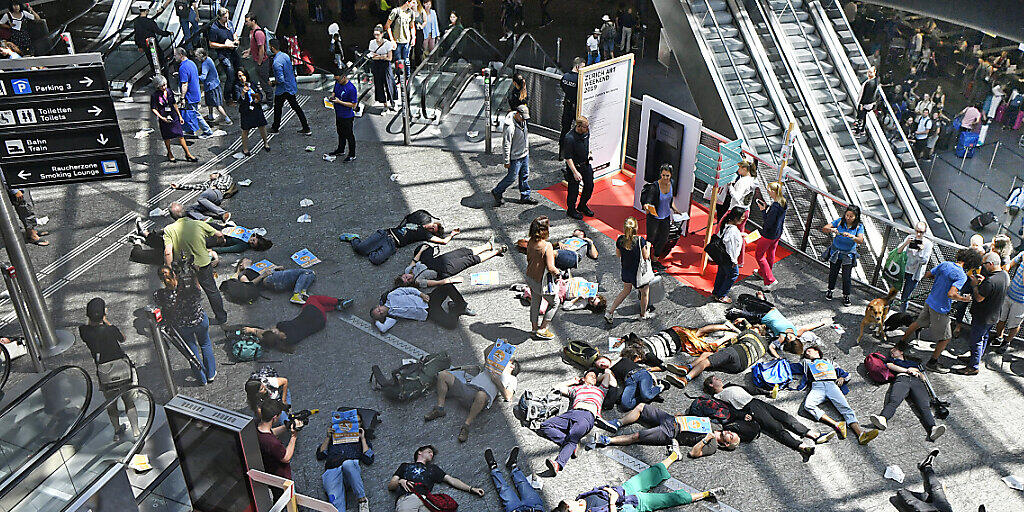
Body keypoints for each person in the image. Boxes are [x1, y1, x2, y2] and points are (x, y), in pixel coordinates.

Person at [552, 449, 723, 512]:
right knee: (669, 499)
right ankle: (705, 494)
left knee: (651, 473)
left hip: (624, 489)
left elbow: (596, 491)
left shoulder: (580, 500)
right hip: (632, 504)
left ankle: (674, 456)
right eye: (572, 503)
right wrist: (612, 502)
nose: (577, 500)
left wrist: (608, 490)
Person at [706, 376, 826, 461]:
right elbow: (728, 411)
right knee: (776, 428)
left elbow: (748, 389)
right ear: (711, 385)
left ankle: (811, 434)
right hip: (749, 409)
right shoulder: (717, 397)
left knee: (785, 417)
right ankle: (802, 447)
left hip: (756, 402)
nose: (719, 379)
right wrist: (742, 415)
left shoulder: (730, 385)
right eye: (715, 379)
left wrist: (765, 392)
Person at [901, 248, 980, 372]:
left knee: (918, 323)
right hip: (940, 309)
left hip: (930, 301)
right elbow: (951, 294)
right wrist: (963, 299)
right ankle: (932, 363)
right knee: (945, 338)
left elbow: (928, 275)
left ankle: (901, 343)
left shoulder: (945, 264)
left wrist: (940, 281)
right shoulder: (961, 276)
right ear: (970, 264)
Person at [424, 343, 520, 442]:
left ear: (512, 366)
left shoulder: (512, 379)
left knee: (481, 394)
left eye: (508, 360)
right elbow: (486, 352)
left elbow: (508, 396)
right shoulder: (493, 367)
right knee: (443, 375)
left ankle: (466, 425)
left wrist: (497, 382)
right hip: (468, 388)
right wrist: (498, 344)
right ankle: (440, 408)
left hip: (482, 397)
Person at [79, 298, 140, 443]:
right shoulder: (110, 330)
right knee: (129, 402)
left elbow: (88, 327)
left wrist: (96, 317)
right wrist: (106, 320)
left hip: (105, 374)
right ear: (104, 313)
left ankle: (117, 430)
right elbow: (123, 338)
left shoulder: (84, 331)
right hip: (122, 371)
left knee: (111, 404)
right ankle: (136, 431)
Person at [593, 402, 741, 459]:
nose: (729, 433)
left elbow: (693, 453)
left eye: (731, 436)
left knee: (638, 436)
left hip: (671, 433)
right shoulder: (717, 427)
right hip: (673, 420)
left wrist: (705, 439)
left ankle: (608, 440)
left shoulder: (713, 446)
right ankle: (617, 423)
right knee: (641, 407)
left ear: (727, 444)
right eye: (731, 432)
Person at [161, 203, 228, 324]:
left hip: (184, 267)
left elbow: (167, 252)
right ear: (185, 211)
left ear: (172, 216)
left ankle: (191, 316)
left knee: (186, 292)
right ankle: (221, 317)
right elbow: (219, 234)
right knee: (212, 291)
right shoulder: (198, 224)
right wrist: (221, 241)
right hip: (203, 263)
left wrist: (170, 269)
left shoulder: (169, 230)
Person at [539, 369, 615, 474]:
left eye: (595, 376)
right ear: (583, 378)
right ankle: (570, 446)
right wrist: (573, 381)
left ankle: (558, 463)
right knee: (545, 425)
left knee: (573, 438)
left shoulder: (601, 390)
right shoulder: (576, 388)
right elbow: (557, 387)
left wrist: (595, 378)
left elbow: (607, 375)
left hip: (587, 415)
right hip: (572, 413)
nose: (593, 377)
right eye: (590, 375)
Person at [868, 343, 947, 441]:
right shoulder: (892, 361)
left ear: (901, 352)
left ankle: (933, 428)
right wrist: (907, 370)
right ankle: (883, 418)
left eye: (894, 350)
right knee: (894, 400)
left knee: (924, 405)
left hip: (917, 381)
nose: (891, 351)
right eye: (891, 351)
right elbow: (890, 366)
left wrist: (916, 371)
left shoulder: (914, 364)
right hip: (902, 379)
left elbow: (923, 378)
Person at [799, 346, 878, 445]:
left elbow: (846, 374)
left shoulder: (829, 362)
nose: (807, 353)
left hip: (832, 385)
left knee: (846, 408)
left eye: (809, 351)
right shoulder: (806, 363)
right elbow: (791, 368)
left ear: (817, 351)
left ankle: (861, 434)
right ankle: (837, 424)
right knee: (808, 405)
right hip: (817, 386)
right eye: (806, 353)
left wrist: (842, 378)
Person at [153, 265, 216, 384]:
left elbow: (161, 307)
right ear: (174, 274)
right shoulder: (189, 289)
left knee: (191, 351)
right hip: (199, 320)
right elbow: (198, 292)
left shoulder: (159, 294)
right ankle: (211, 374)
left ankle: (202, 378)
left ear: (161, 280)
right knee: (205, 344)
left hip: (183, 326)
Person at [669, 328, 792, 388]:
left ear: (759, 331)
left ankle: (685, 378)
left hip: (736, 352)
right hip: (740, 366)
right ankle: (687, 367)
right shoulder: (764, 347)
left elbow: (732, 341)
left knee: (707, 362)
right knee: (707, 355)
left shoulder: (750, 332)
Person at [954, 252, 1008, 375]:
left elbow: (979, 298)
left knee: (976, 339)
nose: (983, 267)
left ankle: (973, 366)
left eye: (984, 264)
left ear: (990, 264)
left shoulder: (991, 281)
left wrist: (974, 286)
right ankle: (975, 358)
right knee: (984, 337)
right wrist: (983, 282)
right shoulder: (1004, 275)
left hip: (983, 316)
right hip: (993, 315)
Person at [389, 445, 485, 512]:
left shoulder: (433, 469)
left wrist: (471, 488)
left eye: (432, 454)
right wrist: (400, 481)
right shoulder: (405, 466)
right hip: (408, 498)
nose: (431, 454)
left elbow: (451, 480)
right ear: (420, 452)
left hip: (426, 501)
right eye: (429, 451)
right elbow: (391, 486)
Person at [244, 296, 354, 353]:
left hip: (320, 323)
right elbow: (265, 332)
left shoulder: (288, 341)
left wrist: (254, 332)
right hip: (313, 313)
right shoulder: (283, 326)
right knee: (312, 299)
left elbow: (265, 338)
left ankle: (336, 307)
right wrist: (254, 330)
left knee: (319, 306)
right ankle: (339, 301)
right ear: (274, 332)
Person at [340, 215, 457, 265]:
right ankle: (354, 238)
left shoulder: (425, 234)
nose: (430, 227)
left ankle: (370, 249)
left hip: (393, 244)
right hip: (385, 234)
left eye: (432, 229)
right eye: (432, 225)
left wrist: (452, 234)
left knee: (376, 260)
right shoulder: (418, 220)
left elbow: (444, 242)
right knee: (359, 249)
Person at [605, 217, 653, 322]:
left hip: (626, 270)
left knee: (625, 291)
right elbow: (646, 256)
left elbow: (618, 255)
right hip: (638, 273)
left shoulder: (620, 240)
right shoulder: (640, 240)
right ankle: (643, 314)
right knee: (644, 293)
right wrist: (648, 246)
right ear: (636, 227)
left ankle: (610, 312)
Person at [317, 424, 373, 512]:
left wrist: (362, 438)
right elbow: (320, 455)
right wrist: (328, 437)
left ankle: (362, 500)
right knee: (335, 503)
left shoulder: (360, 440)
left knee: (348, 463)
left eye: (358, 422)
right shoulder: (332, 439)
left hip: (350, 468)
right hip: (333, 469)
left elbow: (369, 458)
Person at [372, 285, 472, 332]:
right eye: (380, 315)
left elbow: (408, 290)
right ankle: (453, 308)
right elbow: (383, 329)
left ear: (378, 306)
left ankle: (461, 306)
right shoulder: (392, 316)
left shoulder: (391, 296)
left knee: (448, 287)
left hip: (428, 299)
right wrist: (376, 320)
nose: (381, 312)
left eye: (378, 310)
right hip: (429, 312)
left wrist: (421, 294)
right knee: (451, 325)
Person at [493, 105, 537, 206]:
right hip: (515, 157)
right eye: (523, 117)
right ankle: (497, 191)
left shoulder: (522, 120)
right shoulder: (510, 126)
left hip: (524, 154)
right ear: (517, 114)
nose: (524, 119)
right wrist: (506, 160)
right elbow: (506, 144)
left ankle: (525, 196)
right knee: (511, 178)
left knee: (524, 175)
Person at [525, 216, 561, 339]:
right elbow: (551, 267)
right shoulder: (547, 246)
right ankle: (543, 328)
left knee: (535, 302)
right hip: (541, 282)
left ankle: (534, 328)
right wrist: (558, 273)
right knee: (555, 302)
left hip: (530, 277)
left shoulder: (530, 241)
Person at [822, 205, 865, 306]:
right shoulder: (840, 221)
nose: (848, 218)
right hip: (836, 252)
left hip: (848, 255)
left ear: (856, 217)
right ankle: (830, 290)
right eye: (847, 215)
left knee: (846, 276)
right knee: (833, 273)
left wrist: (852, 236)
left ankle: (846, 295)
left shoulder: (859, 227)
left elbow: (860, 240)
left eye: (851, 216)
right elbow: (825, 228)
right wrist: (832, 230)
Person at [256, 400, 303, 491]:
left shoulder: (256, 425)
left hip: (268, 471)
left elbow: (271, 432)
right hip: (280, 478)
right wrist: (294, 436)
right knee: (283, 497)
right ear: (274, 418)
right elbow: (286, 457)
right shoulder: (272, 442)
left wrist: (287, 426)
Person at [641, 164, 682, 268]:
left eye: (667, 175)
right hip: (654, 217)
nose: (665, 178)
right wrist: (646, 206)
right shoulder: (654, 187)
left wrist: (675, 209)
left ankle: (655, 260)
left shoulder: (671, 184)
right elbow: (648, 201)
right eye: (663, 175)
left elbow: (670, 200)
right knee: (651, 238)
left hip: (665, 216)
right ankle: (646, 260)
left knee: (664, 238)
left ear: (671, 175)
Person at [269, 39, 312, 135]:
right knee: (296, 107)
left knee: (278, 108)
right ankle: (306, 127)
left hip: (283, 89)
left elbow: (280, 80)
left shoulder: (276, 63)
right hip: (290, 85)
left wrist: (273, 83)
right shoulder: (285, 56)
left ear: (272, 47)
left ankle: (275, 128)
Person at [150, 75, 197, 163]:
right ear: (157, 86)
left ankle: (188, 153)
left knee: (180, 135)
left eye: (165, 85)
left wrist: (179, 116)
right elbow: (153, 108)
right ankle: (170, 153)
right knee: (167, 137)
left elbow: (174, 104)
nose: (164, 87)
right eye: (162, 86)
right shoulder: (155, 95)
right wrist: (161, 117)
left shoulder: (169, 91)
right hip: (164, 116)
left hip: (173, 115)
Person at [408, 239, 506, 279]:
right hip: (445, 269)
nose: (408, 277)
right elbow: (435, 282)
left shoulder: (408, 270)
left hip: (440, 260)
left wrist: (421, 250)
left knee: (463, 251)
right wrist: (452, 281)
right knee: (470, 260)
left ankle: (487, 246)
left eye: (404, 277)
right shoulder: (419, 281)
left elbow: (415, 261)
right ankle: (496, 251)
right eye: (408, 280)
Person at [484, 447, 542, 512]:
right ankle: (513, 465)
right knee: (524, 484)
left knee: (503, 489)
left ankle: (493, 467)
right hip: (535, 507)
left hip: (515, 510)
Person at [235, 258, 316, 304]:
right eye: (246, 259)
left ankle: (302, 291)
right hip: (269, 279)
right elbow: (248, 285)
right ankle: (296, 294)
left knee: (311, 274)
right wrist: (262, 275)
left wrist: (275, 268)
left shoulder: (255, 268)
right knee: (305, 272)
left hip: (276, 281)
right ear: (241, 264)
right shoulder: (243, 273)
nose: (250, 259)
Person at [175, 48, 213, 138]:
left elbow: (184, 85)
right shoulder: (191, 63)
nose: (174, 57)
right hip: (196, 93)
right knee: (190, 113)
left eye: (175, 55)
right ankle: (190, 130)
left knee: (195, 113)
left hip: (190, 95)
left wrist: (182, 98)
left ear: (181, 55)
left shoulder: (182, 68)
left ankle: (208, 131)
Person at [754, 181, 786, 289]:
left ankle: (769, 279)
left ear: (773, 191)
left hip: (768, 234)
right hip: (777, 233)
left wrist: (763, 211)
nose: (768, 192)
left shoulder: (775, 207)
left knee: (759, 255)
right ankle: (763, 273)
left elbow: (768, 222)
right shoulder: (783, 203)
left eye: (769, 191)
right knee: (771, 253)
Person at [991, 249, 1024, 354]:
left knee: (1014, 324)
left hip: (1021, 302)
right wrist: (1005, 271)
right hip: (1009, 293)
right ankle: (999, 336)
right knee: (1001, 318)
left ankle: (1007, 341)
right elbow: (1011, 264)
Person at [170, 171, 235, 222]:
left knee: (201, 198)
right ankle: (204, 218)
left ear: (217, 174)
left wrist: (216, 186)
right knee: (189, 209)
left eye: (211, 175)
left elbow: (226, 185)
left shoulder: (226, 177)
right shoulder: (209, 183)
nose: (210, 176)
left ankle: (223, 213)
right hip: (209, 200)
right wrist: (180, 186)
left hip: (217, 192)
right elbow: (197, 186)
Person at [898, 222, 934, 312]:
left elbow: (924, 261)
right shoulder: (910, 238)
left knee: (905, 297)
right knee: (893, 292)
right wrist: (906, 243)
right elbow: (898, 251)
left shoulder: (928, 244)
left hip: (914, 274)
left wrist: (920, 251)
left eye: (921, 232)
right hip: (903, 269)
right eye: (916, 231)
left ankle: (901, 317)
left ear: (925, 232)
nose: (918, 234)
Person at [207, 7, 241, 102]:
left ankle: (236, 95)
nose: (227, 19)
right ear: (219, 17)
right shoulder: (214, 28)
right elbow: (211, 44)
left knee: (238, 71)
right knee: (230, 75)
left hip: (233, 51)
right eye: (225, 17)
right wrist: (224, 46)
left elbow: (234, 33)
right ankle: (228, 97)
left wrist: (235, 40)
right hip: (224, 54)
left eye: (227, 16)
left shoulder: (229, 23)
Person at [712, 208, 745, 303]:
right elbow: (731, 247)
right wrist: (734, 261)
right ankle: (721, 295)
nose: (743, 218)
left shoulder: (726, 225)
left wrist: (740, 234)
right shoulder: (733, 231)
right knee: (733, 275)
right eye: (742, 216)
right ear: (735, 218)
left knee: (721, 273)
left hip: (721, 256)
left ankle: (716, 292)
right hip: (728, 258)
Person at [564, 116, 594, 219]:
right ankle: (571, 210)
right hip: (575, 167)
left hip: (585, 164)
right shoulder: (569, 138)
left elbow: (586, 145)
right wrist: (575, 172)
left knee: (589, 185)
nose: (587, 129)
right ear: (579, 126)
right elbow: (568, 157)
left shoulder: (586, 133)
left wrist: (589, 153)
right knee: (573, 190)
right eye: (585, 127)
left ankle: (582, 205)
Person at [234, 69, 270, 155]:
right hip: (246, 111)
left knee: (262, 126)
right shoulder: (237, 87)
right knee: (245, 130)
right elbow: (238, 100)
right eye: (240, 76)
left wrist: (258, 98)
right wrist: (242, 93)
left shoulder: (252, 83)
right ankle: (245, 148)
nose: (242, 78)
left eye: (243, 75)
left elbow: (259, 93)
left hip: (256, 107)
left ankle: (266, 143)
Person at [195, 48, 231, 125]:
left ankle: (227, 119)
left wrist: (194, 76)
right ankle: (211, 116)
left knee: (217, 105)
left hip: (211, 86)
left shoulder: (205, 63)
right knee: (209, 102)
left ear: (201, 55)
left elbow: (203, 77)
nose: (196, 58)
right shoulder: (209, 59)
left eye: (197, 56)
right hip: (215, 84)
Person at [330, 69, 359, 161]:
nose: (337, 81)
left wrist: (339, 102)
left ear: (344, 77)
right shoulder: (338, 83)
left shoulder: (351, 89)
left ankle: (352, 154)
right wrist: (332, 97)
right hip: (338, 113)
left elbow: (353, 105)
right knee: (340, 132)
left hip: (347, 115)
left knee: (349, 135)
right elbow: (334, 92)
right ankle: (341, 149)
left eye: (338, 80)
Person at [368, 25, 398, 111]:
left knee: (389, 83)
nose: (376, 37)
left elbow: (389, 58)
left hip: (385, 65)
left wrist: (379, 56)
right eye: (375, 35)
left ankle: (393, 102)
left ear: (382, 34)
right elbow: (372, 56)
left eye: (378, 34)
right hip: (376, 65)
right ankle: (385, 105)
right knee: (379, 84)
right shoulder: (372, 43)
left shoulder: (387, 43)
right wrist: (382, 56)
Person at [242, 15, 271, 92]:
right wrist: (249, 51)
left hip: (262, 62)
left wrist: (259, 62)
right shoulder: (252, 32)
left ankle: (270, 101)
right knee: (261, 82)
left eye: (247, 21)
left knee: (264, 83)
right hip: (257, 60)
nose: (246, 23)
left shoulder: (258, 33)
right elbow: (254, 45)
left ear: (253, 21)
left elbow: (261, 49)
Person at [386, 0, 416, 69]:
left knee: (406, 60)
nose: (414, 5)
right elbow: (388, 25)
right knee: (398, 61)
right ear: (407, 2)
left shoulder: (411, 13)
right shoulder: (396, 11)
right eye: (413, 3)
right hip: (397, 40)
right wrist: (392, 40)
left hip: (407, 40)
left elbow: (412, 26)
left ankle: (407, 78)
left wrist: (413, 37)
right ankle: (400, 77)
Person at [560, 58, 582, 141]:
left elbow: (562, 86)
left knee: (565, 128)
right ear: (577, 67)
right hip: (576, 106)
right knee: (580, 128)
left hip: (567, 105)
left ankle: (562, 149)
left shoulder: (565, 76)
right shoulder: (579, 79)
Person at [854, 66, 880, 135]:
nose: (869, 73)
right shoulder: (873, 81)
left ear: (874, 73)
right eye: (869, 72)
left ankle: (858, 131)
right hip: (867, 103)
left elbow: (867, 95)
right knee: (863, 116)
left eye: (871, 72)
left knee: (861, 116)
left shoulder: (871, 83)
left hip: (865, 103)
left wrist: (862, 104)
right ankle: (861, 130)